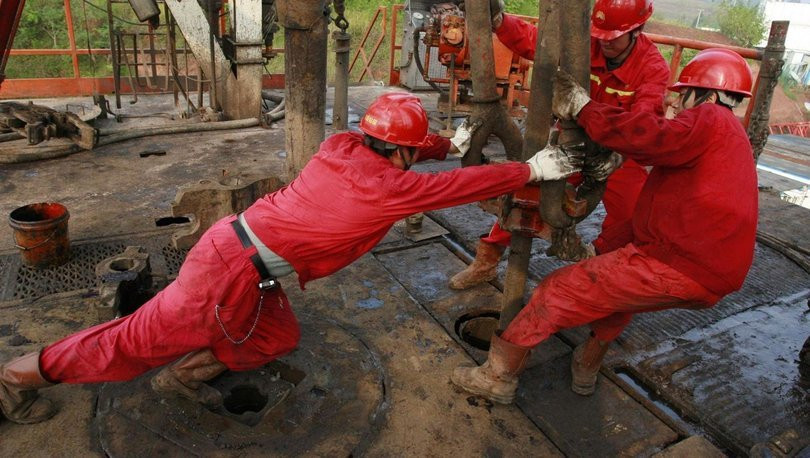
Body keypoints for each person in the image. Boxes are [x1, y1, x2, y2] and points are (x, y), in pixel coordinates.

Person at [0, 92, 585, 424]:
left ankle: (184, 374)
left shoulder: (342, 144)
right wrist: (530, 170)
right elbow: (454, 188)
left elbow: (414, 155)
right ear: (399, 151)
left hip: (248, 262)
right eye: (415, 149)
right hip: (228, 272)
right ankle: (13, 376)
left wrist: (445, 144)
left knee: (273, 340)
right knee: (130, 340)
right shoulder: (390, 188)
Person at [451, 48, 758, 403]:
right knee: (617, 298)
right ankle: (587, 363)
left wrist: (584, 109)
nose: (678, 103)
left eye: (684, 94)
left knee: (557, 291)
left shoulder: (710, 118)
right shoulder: (730, 139)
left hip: (677, 263)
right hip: (709, 273)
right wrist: (598, 249)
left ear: (710, 94)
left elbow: (649, 135)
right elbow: (653, 212)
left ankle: (497, 378)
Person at [449, 0, 670, 290]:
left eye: (613, 38)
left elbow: (644, 121)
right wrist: (500, 20)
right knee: (526, 193)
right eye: (600, 34)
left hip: (617, 154)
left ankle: (595, 268)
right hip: (573, 139)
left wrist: (617, 152)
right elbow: (536, 42)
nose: (604, 43)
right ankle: (486, 260)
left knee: (631, 213)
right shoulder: (585, 44)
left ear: (636, 31)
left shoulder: (652, 69)